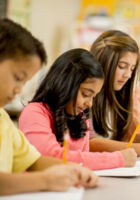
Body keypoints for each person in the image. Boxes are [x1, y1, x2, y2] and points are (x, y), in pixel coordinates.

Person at [0, 18, 97, 196]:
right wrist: (45, 180)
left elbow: (34, 161)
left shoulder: (3, 119)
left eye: (25, 81)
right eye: (18, 77)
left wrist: (74, 169)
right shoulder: (35, 112)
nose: (19, 89)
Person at [19, 48, 137, 170]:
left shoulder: (80, 117)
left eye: (93, 97)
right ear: (65, 86)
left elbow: (84, 158)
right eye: (85, 94)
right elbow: (51, 157)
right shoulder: (33, 113)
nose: (90, 104)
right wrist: (118, 159)